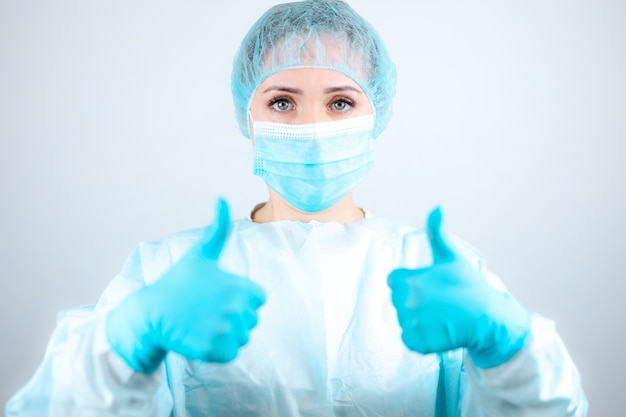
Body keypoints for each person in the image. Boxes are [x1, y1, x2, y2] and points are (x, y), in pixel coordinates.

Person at [6, 0, 588, 416]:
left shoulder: (436, 272)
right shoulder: (170, 274)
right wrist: (124, 342)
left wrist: (510, 349)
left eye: (340, 101)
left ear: (376, 113)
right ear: (247, 117)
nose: (312, 128)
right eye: (282, 102)